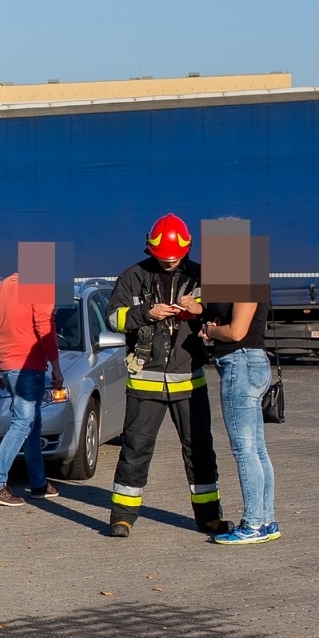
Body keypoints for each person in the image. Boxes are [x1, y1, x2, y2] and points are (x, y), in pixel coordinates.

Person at [104, 214, 230, 538]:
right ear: (151, 250)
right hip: (144, 380)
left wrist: (199, 309)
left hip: (189, 380)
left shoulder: (204, 275)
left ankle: (209, 517)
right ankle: (122, 516)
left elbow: (225, 314)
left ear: (186, 250)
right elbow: (113, 319)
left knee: (200, 449)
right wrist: (144, 313)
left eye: (175, 258)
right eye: (163, 258)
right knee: (135, 449)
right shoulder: (132, 277)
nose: (170, 262)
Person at [0, 272, 64, 506]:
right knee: (23, 423)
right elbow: (45, 327)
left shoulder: (2, 287)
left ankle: (38, 483)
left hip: (7, 366)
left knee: (32, 425)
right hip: (28, 367)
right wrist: (56, 367)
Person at [201, 299, 279, 545]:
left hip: (241, 364)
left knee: (245, 450)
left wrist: (210, 331)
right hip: (248, 362)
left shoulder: (244, 279)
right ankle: (267, 521)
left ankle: (253, 523)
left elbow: (237, 332)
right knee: (257, 449)